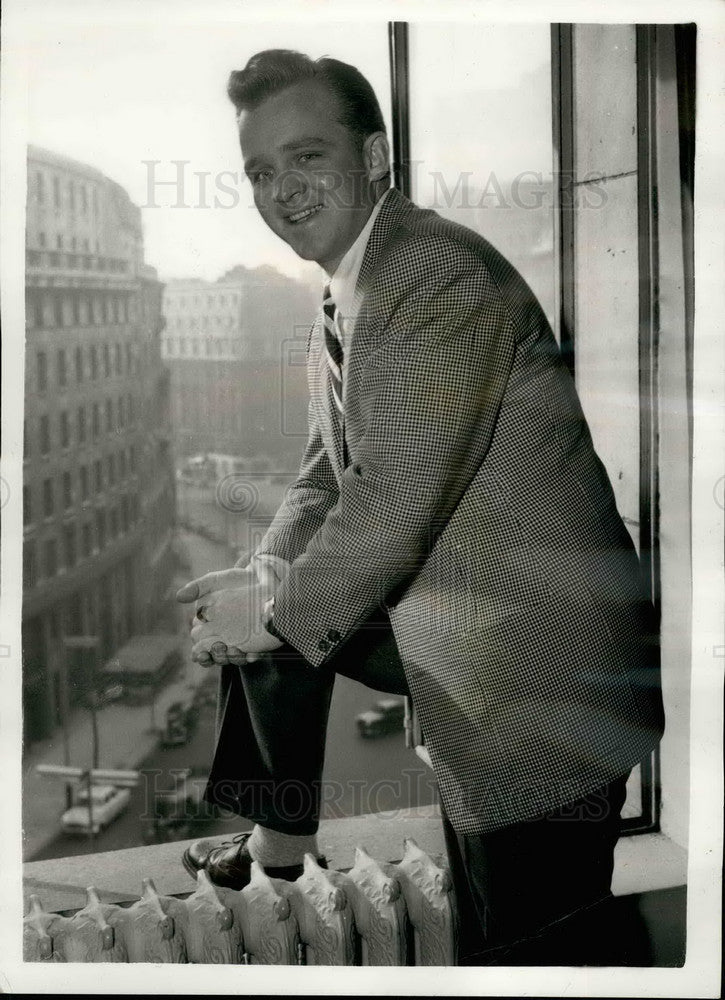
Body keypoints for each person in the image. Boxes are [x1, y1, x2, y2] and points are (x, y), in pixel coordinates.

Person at [176, 48, 664, 965]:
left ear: (373, 157)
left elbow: (389, 505)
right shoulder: (351, 285)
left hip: (541, 676)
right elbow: (324, 471)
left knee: (531, 954)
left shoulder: (433, 276)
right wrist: (261, 579)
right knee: (272, 592)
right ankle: (279, 841)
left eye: (307, 156)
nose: (282, 188)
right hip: (464, 619)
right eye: (261, 171)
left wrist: (270, 613)